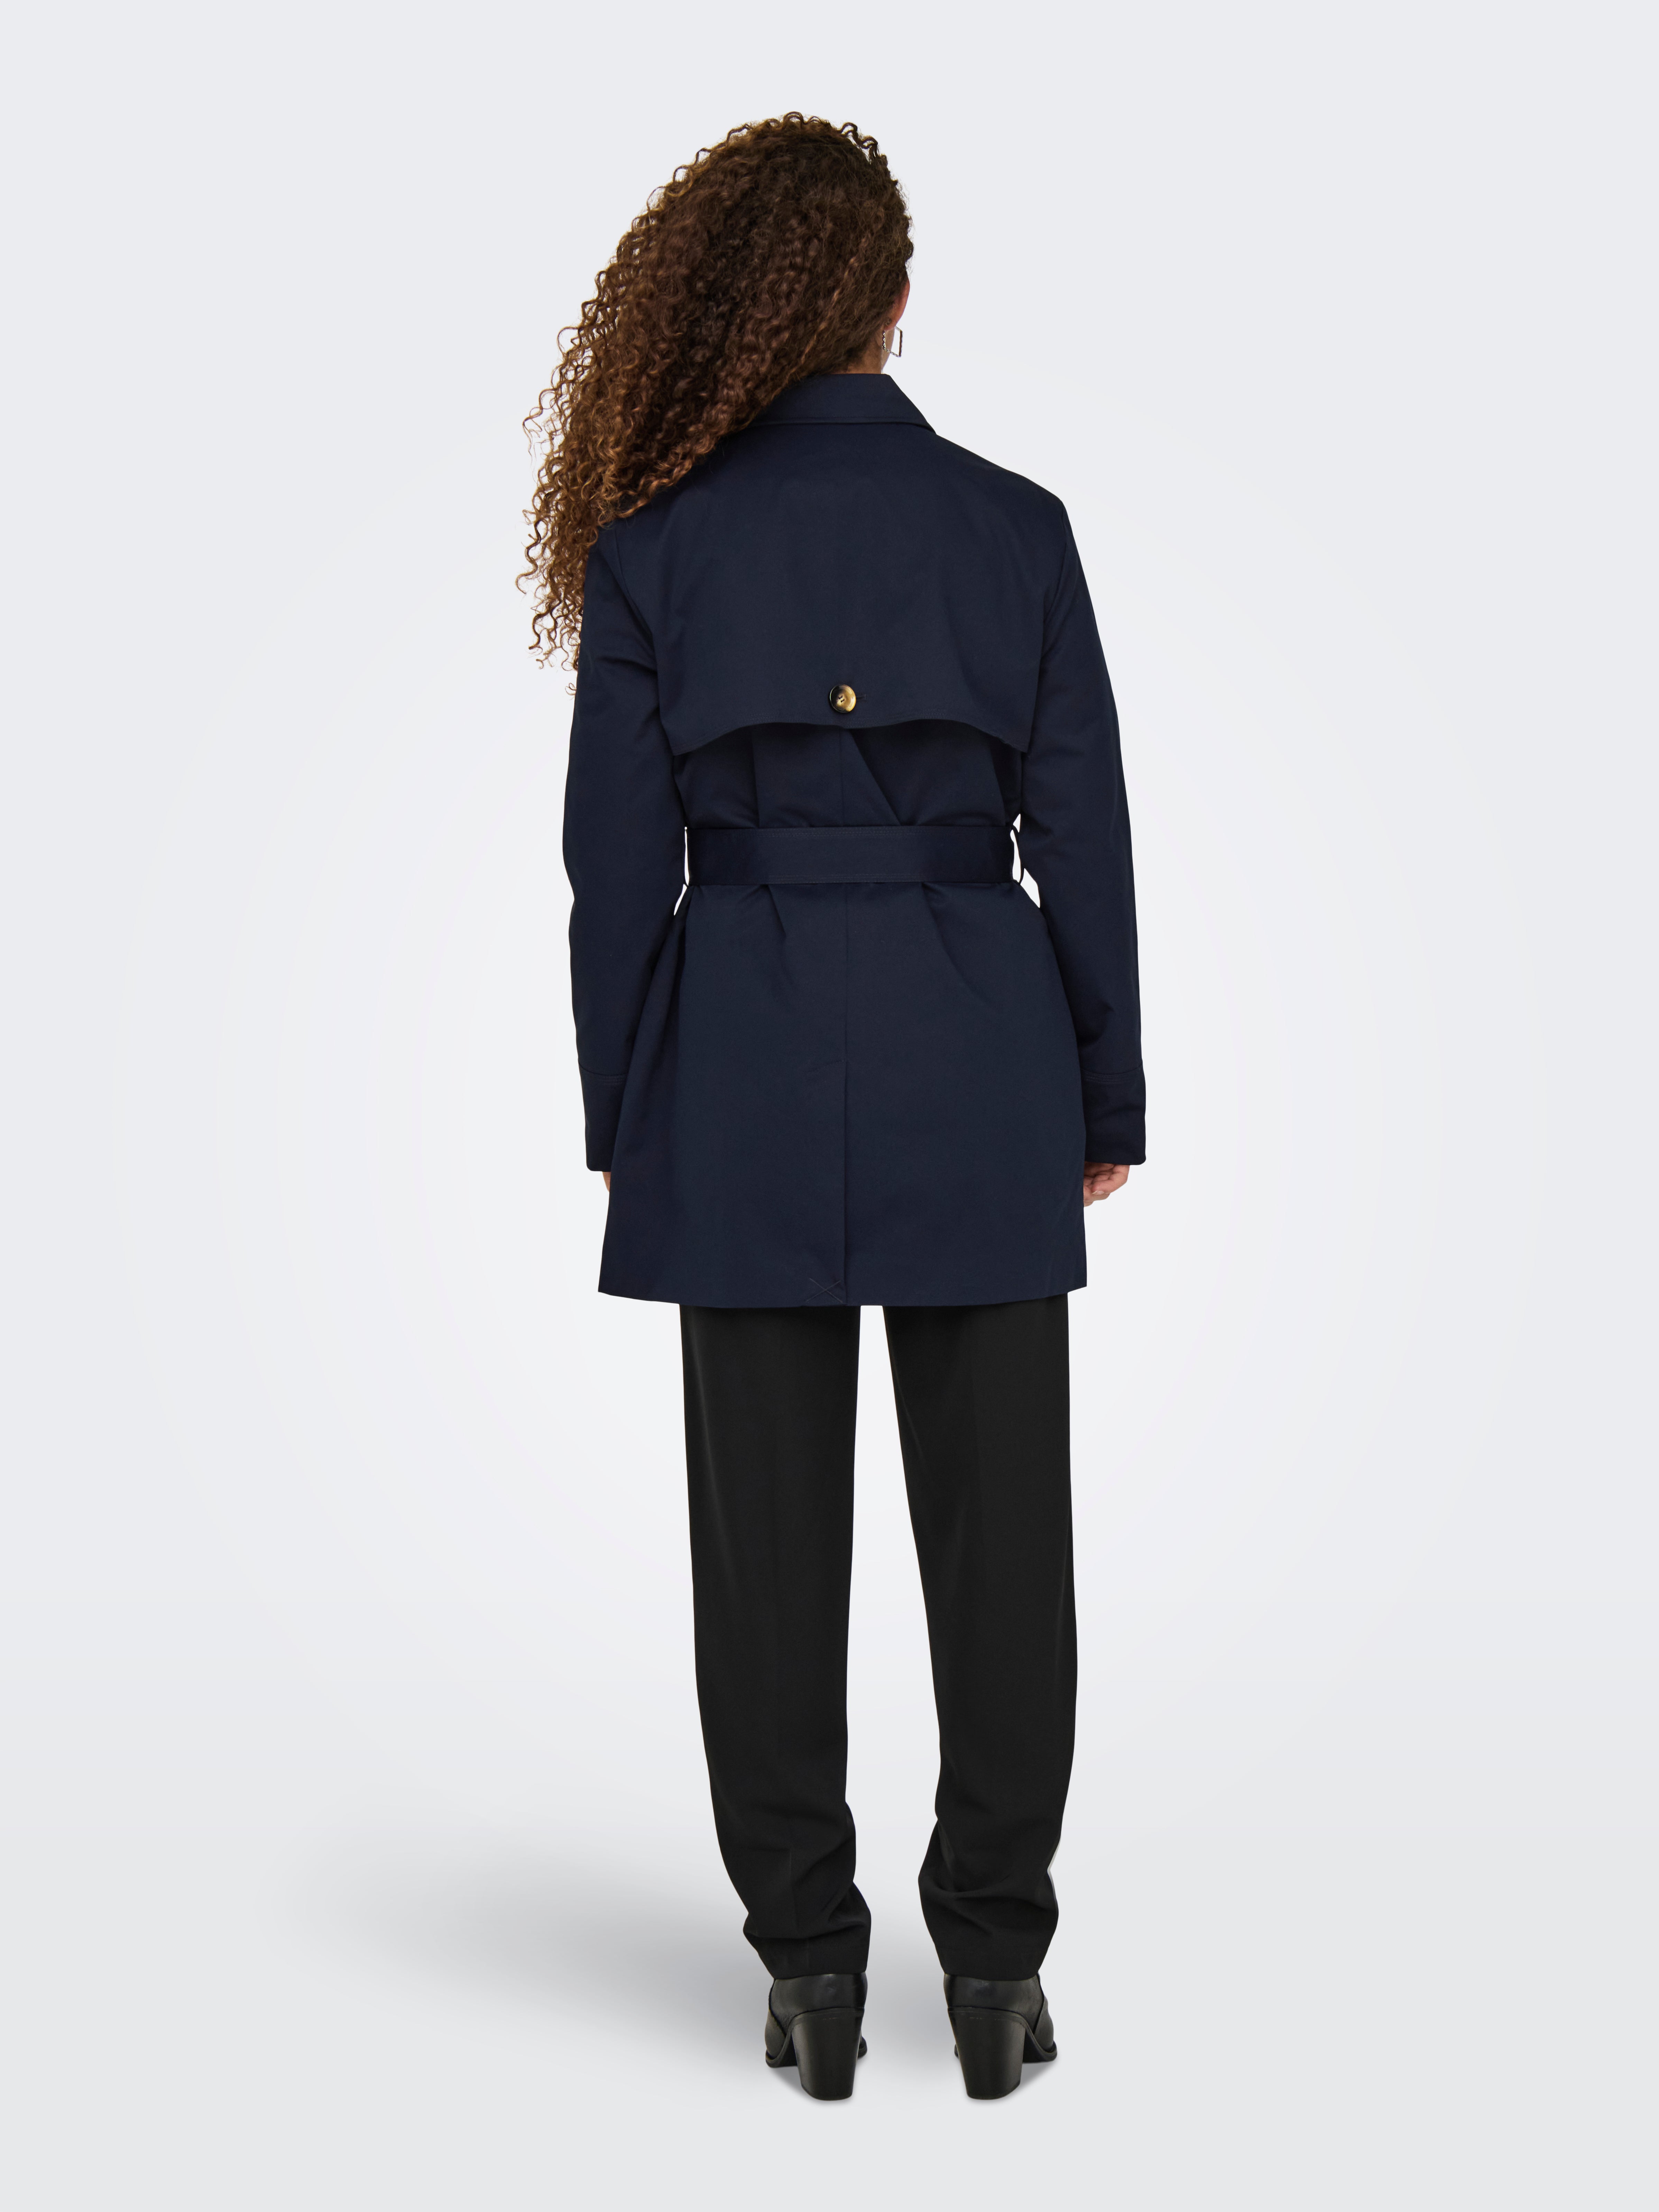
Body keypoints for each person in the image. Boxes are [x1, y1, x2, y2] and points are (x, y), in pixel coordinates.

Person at [525, 113, 1144, 2100]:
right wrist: (1105, 1088)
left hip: (743, 1053)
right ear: (891, 301)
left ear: (732, 309)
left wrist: (633, 1110)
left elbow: (610, 869)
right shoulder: (1018, 528)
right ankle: (998, 1968)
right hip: (983, 1045)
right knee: (1008, 1537)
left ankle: (809, 1967)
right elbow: (1087, 836)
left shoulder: (655, 549)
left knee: (766, 1549)